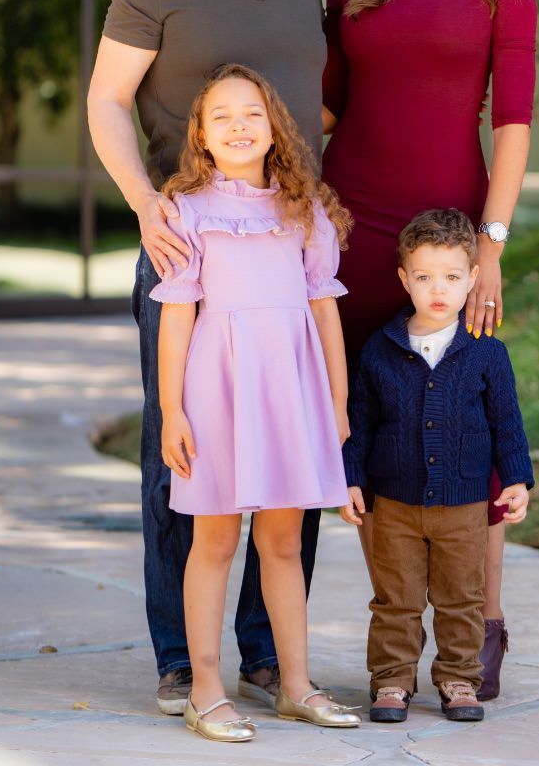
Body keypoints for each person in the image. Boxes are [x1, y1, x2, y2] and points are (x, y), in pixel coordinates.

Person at [88, 0, 327, 715]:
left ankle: (269, 658)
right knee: (179, 453)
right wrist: (148, 204)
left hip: (284, 250)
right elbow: (107, 99)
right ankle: (183, 662)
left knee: (290, 452)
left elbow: (314, 103)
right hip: (185, 249)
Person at [322, 0, 537, 698]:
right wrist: (307, 197)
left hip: (452, 233)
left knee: (471, 427)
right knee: (371, 428)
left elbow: (515, 124)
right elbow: (328, 103)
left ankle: (480, 620)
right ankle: (395, 643)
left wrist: (490, 245)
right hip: (353, 229)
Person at [152, 62, 361, 742]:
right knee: (213, 540)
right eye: (222, 116)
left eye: (252, 113)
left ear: (275, 128)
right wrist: (173, 410)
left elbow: (324, 307)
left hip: (289, 389)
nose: (239, 125)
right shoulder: (186, 211)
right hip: (218, 389)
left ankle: (295, 685)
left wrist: (336, 399)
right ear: (202, 138)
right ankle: (206, 688)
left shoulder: (305, 209)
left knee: (282, 541)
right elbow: (178, 317)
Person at [341, 209, 533, 722]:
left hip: (464, 504)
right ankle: (391, 681)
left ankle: (458, 679)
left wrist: (516, 478)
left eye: (451, 277)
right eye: (424, 277)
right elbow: (360, 421)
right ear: (404, 279)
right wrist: (352, 480)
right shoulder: (380, 350)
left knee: (461, 599)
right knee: (395, 600)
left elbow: (507, 422)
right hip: (395, 503)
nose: (438, 289)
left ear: (473, 278)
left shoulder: (486, 351)